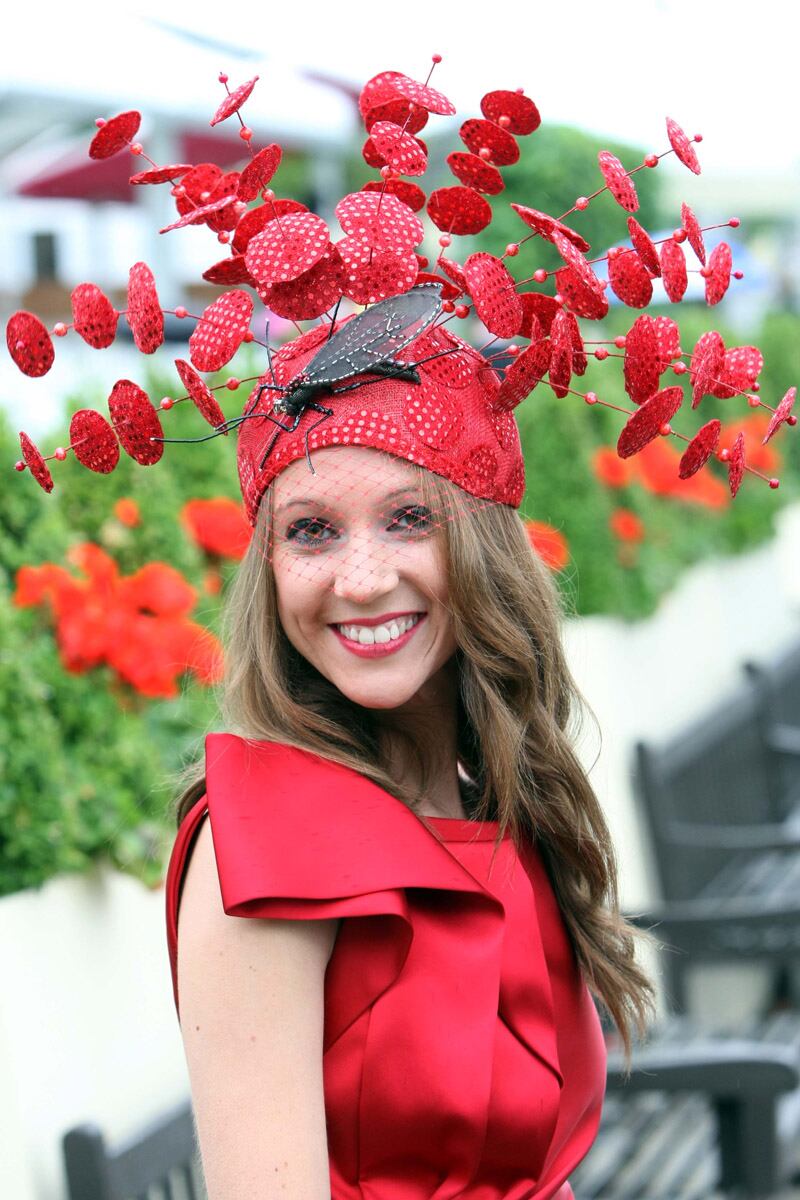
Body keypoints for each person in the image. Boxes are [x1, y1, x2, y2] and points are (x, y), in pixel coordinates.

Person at [7, 57, 791, 1200]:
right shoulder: (262, 855)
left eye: (408, 518)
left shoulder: (494, 788)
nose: (360, 579)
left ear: (479, 546)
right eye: (311, 531)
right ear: (266, 565)